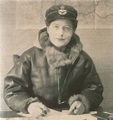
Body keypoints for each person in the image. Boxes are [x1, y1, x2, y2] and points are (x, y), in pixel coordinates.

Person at [4, 4, 103, 116]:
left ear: (73, 31)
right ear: (47, 28)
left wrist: (83, 102)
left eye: (67, 28)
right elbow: (12, 90)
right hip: (38, 115)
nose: (61, 33)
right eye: (56, 27)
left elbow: (95, 89)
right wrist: (29, 105)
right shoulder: (30, 56)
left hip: (71, 116)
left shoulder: (82, 59)